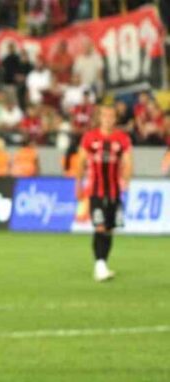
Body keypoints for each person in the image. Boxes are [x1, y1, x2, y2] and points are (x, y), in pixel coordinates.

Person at [76, 103, 132, 282]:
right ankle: (99, 265)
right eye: (105, 116)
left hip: (114, 191)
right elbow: (81, 161)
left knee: (109, 229)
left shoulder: (122, 138)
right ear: (99, 118)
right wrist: (77, 183)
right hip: (95, 190)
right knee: (99, 226)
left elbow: (128, 160)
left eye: (111, 116)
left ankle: (103, 264)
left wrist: (126, 179)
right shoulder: (90, 137)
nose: (108, 119)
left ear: (115, 119)